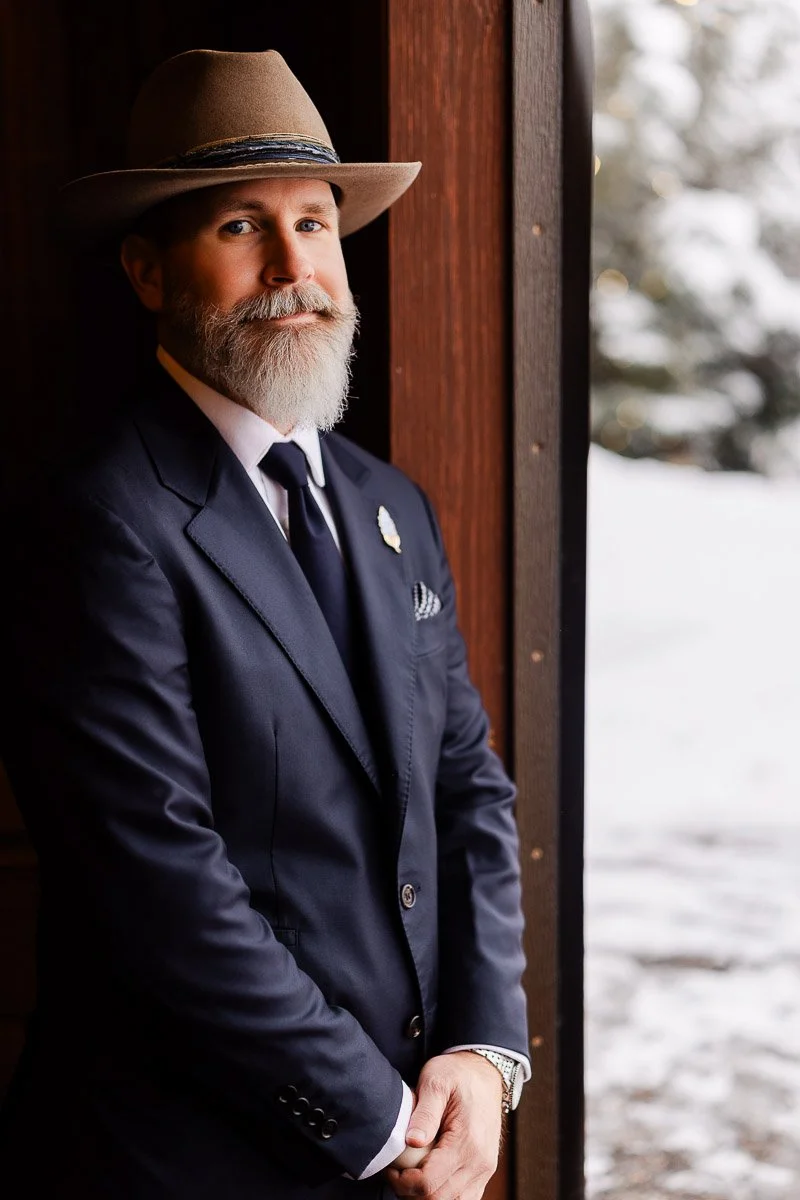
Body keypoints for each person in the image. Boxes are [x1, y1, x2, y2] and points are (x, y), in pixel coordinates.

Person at [0, 49, 529, 1200]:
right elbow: (156, 878)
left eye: (316, 224)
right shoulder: (97, 517)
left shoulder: (388, 504)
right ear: (149, 270)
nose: (297, 267)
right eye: (243, 228)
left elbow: (464, 792)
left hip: (404, 1135)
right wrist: (382, 1120)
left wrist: (485, 1059)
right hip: (181, 1160)